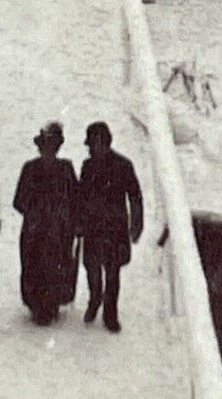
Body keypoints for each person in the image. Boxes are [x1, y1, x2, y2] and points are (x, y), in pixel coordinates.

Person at [77, 120, 144, 333]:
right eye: (89, 145)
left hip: (115, 229)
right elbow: (81, 197)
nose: (90, 149)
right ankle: (95, 299)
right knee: (92, 269)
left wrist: (136, 224)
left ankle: (110, 313)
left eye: (93, 144)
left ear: (104, 142)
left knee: (113, 272)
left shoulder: (123, 165)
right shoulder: (87, 167)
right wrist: (79, 223)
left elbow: (135, 196)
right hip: (93, 228)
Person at [12, 121, 79, 325]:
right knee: (34, 266)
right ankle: (37, 306)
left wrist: (65, 219)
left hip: (58, 232)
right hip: (36, 231)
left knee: (56, 267)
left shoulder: (66, 169)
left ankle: (51, 306)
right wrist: (37, 212)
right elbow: (18, 201)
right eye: (45, 146)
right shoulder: (30, 168)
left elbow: (75, 199)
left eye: (52, 146)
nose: (48, 151)